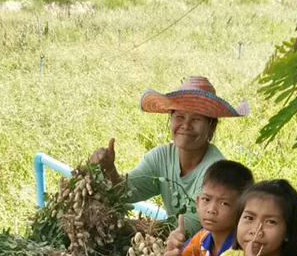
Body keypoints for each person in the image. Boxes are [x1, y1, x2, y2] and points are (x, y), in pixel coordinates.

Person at [90, 75, 248, 235]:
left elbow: (188, 228)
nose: (186, 125)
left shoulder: (215, 171)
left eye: (196, 119)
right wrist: (108, 170)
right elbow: (127, 191)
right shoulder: (161, 156)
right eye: (179, 116)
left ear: (211, 127)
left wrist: (120, 226)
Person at [157, 160, 254, 256]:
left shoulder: (240, 254)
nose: (211, 210)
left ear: (242, 210)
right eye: (206, 200)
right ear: (197, 202)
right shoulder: (202, 238)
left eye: (224, 203)